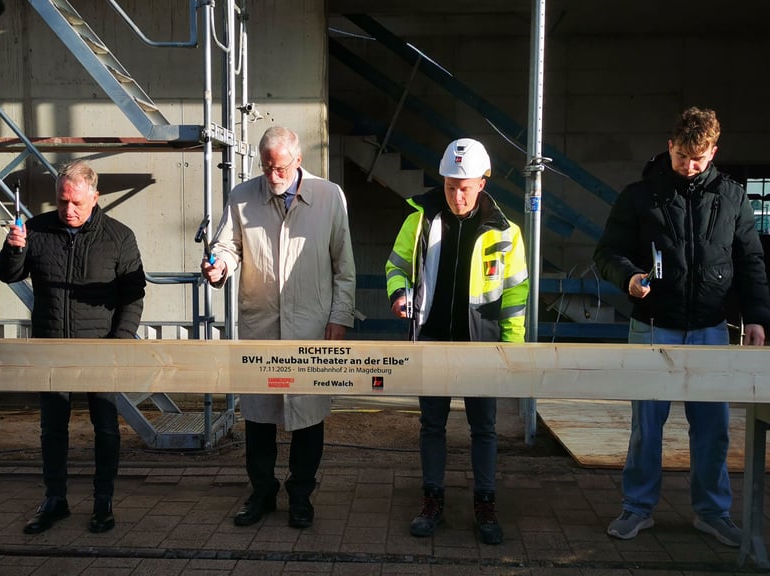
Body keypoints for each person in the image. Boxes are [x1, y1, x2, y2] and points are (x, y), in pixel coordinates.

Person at [594, 107, 770, 547]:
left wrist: (758, 318)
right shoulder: (640, 196)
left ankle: (712, 512)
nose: (689, 167)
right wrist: (629, 277)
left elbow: (750, 260)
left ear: (713, 151)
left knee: (713, 426)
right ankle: (637, 508)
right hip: (654, 325)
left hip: (712, 328)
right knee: (646, 426)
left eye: (699, 159)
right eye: (681, 157)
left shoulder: (733, 197)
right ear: (670, 145)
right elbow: (607, 253)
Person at [202, 126, 356, 529]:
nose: (273, 176)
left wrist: (340, 317)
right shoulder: (242, 197)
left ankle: (301, 496)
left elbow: (344, 266)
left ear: (298, 161)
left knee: (308, 417)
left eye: (281, 168)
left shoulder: (328, 197)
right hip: (262, 327)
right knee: (258, 419)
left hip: (311, 328)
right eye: (266, 167)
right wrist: (219, 266)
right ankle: (262, 492)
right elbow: (227, 246)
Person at [385, 138, 528, 545]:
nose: (457, 195)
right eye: (450, 186)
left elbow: (516, 293)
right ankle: (432, 500)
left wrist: (510, 351)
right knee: (432, 425)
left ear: (483, 183)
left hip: (481, 347)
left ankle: (485, 503)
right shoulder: (421, 219)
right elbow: (395, 265)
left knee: (483, 429)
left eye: (464, 187)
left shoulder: (506, 232)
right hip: (431, 339)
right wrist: (399, 294)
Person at [0, 160, 145, 535]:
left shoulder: (118, 237)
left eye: (77, 202)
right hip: (50, 346)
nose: (69, 210)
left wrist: (120, 342)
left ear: (96, 196)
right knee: (52, 428)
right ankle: (54, 499)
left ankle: (102, 501)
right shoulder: (36, 229)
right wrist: (14, 249)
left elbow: (134, 295)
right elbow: (8, 274)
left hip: (100, 348)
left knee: (106, 428)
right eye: (63, 202)